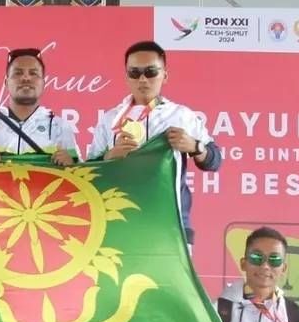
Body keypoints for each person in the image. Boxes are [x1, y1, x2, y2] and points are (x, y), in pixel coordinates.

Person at [87, 40, 221, 251]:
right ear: (126, 76)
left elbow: (215, 160)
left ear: (164, 75)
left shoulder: (181, 116)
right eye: (134, 73)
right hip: (121, 222)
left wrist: (195, 147)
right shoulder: (110, 119)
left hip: (171, 225)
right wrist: (108, 158)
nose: (142, 79)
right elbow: (88, 170)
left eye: (150, 72)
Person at [0, 47, 80, 166]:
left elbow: (81, 173)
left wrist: (71, 164)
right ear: (6, 83)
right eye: (18, 73)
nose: (26, 78)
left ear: (43, 83)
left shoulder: (60, 128)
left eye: (33, 73)